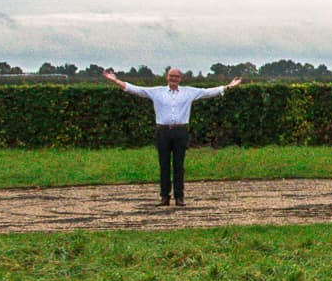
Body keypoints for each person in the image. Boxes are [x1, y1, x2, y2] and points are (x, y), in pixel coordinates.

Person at [100, 65, 247, 207]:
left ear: (180, 78)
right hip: (162, 131)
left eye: (176, 76)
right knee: (164, 165)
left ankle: (179, 197)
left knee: (179, 165)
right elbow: (136, 89)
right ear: (167, 77)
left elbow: (208, 92)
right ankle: (164, 197)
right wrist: (115, 80)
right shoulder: (157, 92)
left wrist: (229, 86)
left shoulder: (189, 92)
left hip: (180, 131)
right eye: (171, 76)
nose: (173, 79)